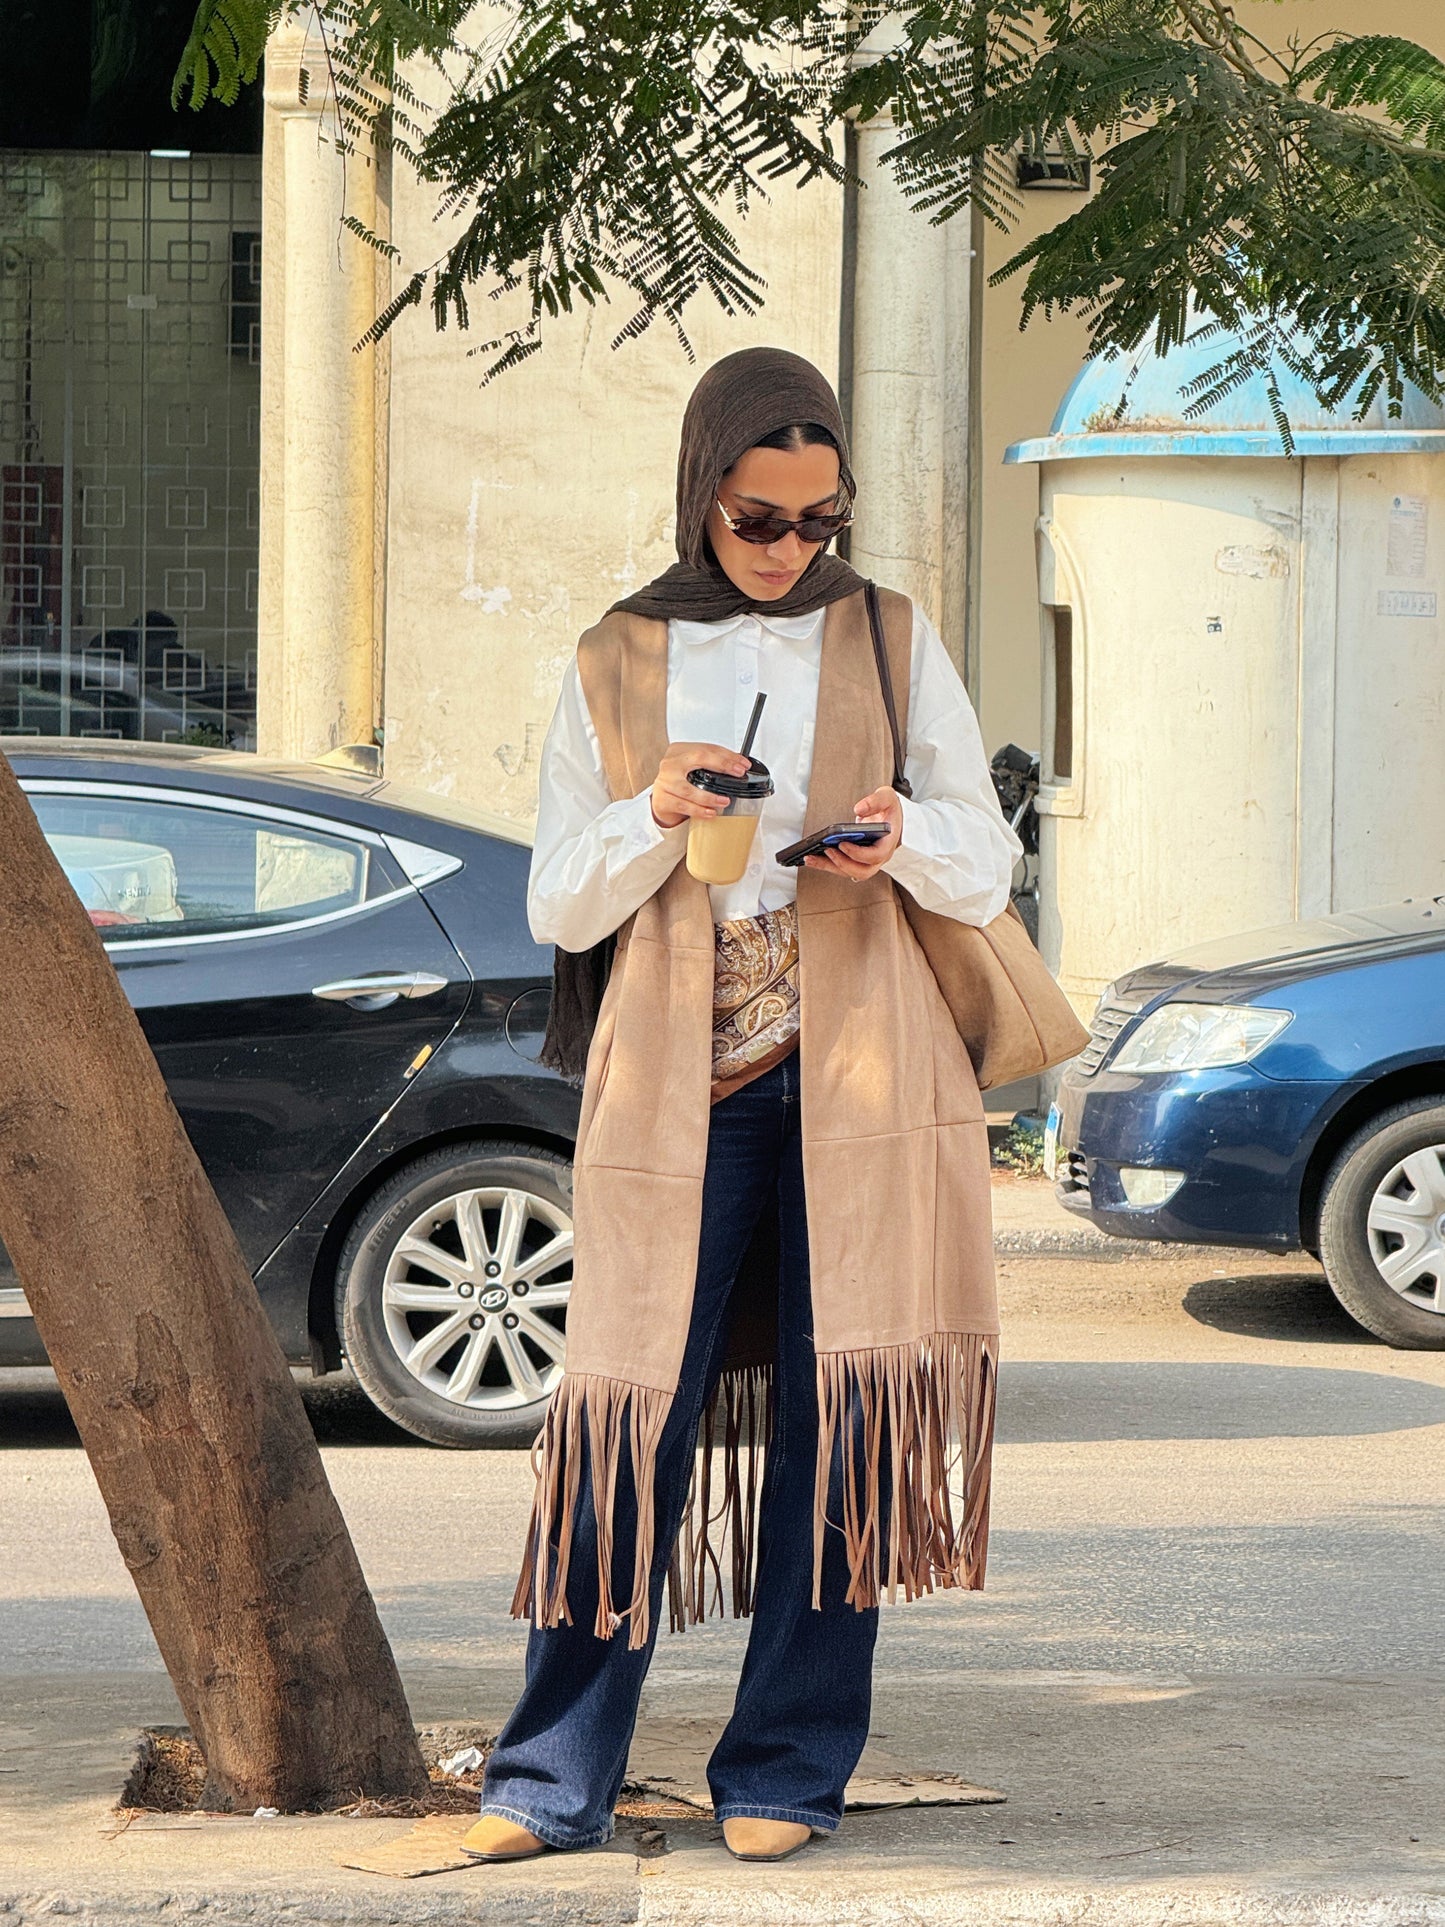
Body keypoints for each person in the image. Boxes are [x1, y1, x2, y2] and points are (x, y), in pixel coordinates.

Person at [467, 346, 1021, 1867]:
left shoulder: (892, 638)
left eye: (817, 523)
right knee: (622, 1417)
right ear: (701, 495)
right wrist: (654, 812)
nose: (788, 553)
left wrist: (898, 836)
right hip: (673, 1089)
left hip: (859, 1087)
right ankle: (550, 1775)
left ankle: (783, 1767)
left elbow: (987, 864)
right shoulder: (613, 655)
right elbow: (556, 906)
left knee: (838, 1421)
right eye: (758, 521)